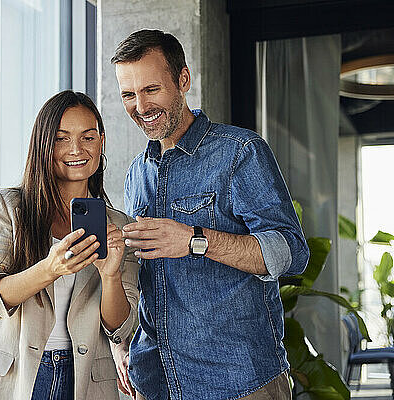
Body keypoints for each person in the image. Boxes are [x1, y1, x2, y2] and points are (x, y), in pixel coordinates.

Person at [110, 30, 310, 400]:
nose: (140, 106)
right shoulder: (136, 174)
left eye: (151, 89)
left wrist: (194, 240)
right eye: (128, 94)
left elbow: (291, 252)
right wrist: (126, 344)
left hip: (239, 382)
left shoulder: (240, 153)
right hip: (159, 382)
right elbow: (149, 282)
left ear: (183, 80)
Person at [0, 90, 139, 400]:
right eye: (62, 138)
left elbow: (121, 328)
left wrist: (110, 275)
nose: (76, 149)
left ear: (101, 141)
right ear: (43, 144)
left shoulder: (120, 225)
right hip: (17, 375)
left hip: (86, 377)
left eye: (88, 137)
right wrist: (50, 268)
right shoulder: (8, 208)